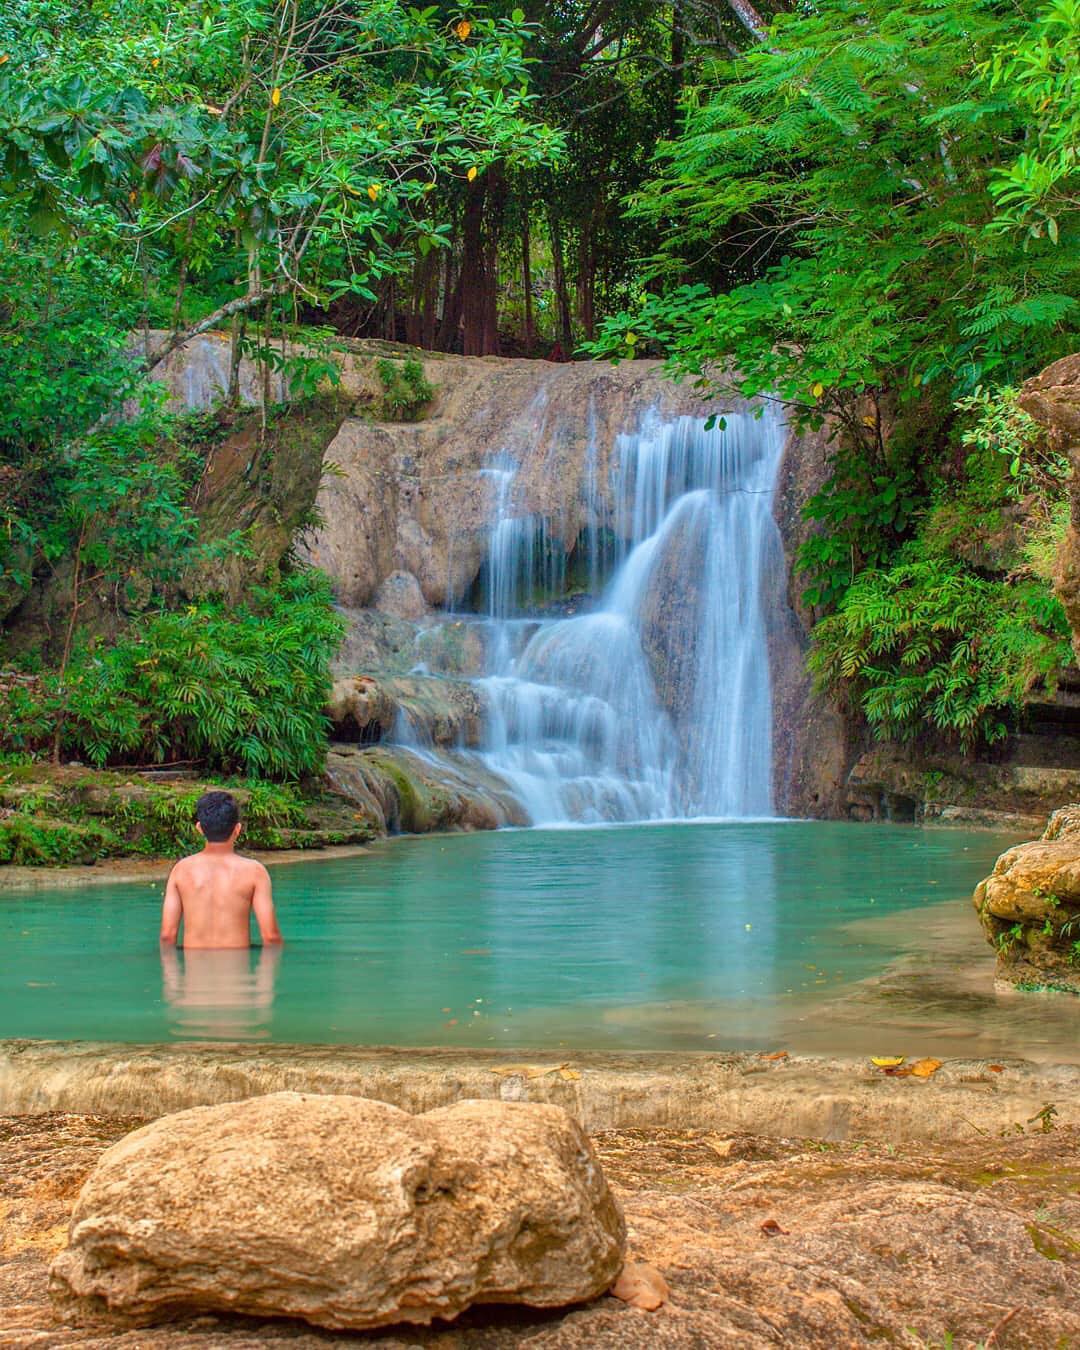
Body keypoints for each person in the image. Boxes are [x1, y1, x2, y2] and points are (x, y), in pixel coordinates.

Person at [159, 790, 283, 950]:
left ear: (199, 828)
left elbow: (167, 936)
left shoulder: (181, 870)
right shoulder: (254, 872)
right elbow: (271, 937)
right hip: (237, 974)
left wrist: (172, 975)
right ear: (237, 829)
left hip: (196, 973)